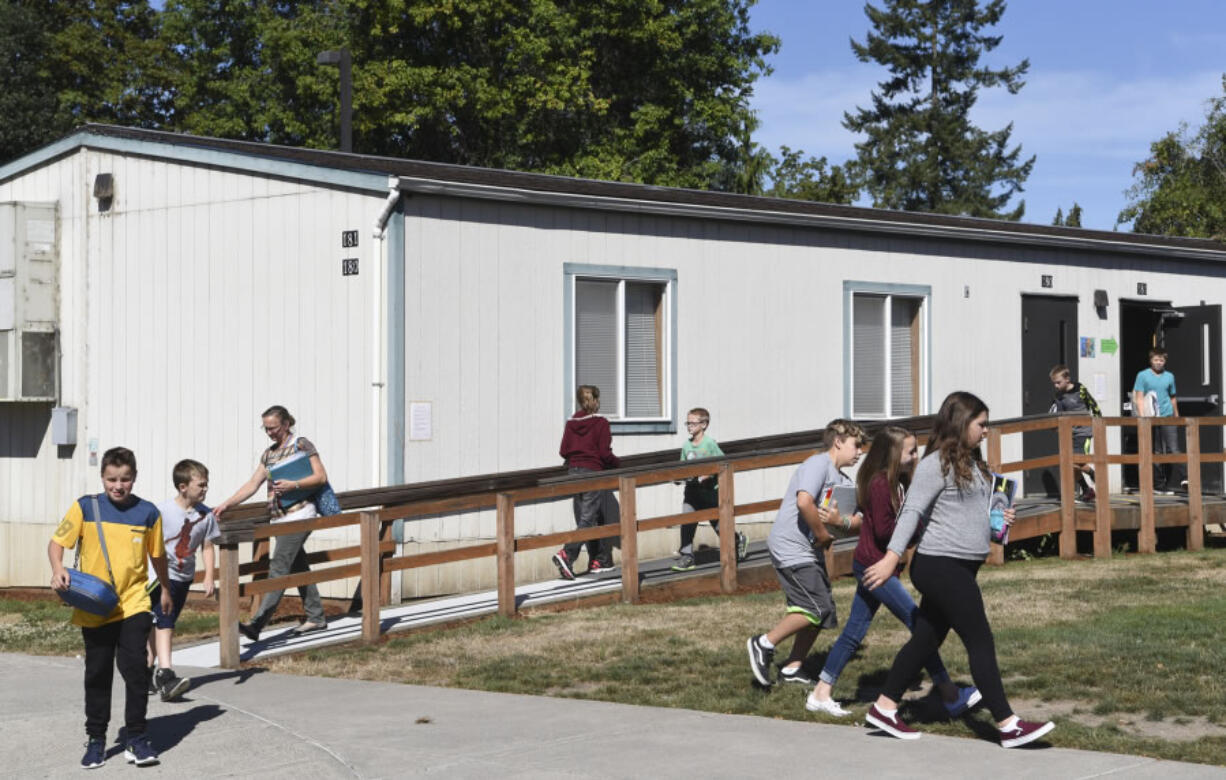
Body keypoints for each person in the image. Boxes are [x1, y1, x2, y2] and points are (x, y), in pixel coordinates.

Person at [861, 392, 1055, 748]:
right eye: (981, 424)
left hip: (960, 566)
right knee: (979, 639)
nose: (986, 431)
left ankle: (884, 708)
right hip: (939, 565)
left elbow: (969, 512)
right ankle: (1008, 725)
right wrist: (891, 557)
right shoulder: (935, 464)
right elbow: (912, 511)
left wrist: (998, 519)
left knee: (925, 639)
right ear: (962, 423)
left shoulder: (973, 463)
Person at [806, 427, 980, 718]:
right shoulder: (878, 485)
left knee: (854, 631)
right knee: (920, 625)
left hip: (875, 566)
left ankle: (821, 692)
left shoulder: (898, 482)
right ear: (893, 454)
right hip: (875, 568)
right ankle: (949, 693)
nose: (915, 457)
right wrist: (920, 524)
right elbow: (886, 532)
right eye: (910, 451)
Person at [48, 446, 174, 769]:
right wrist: (57, 567)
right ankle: (96, 740)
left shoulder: (148, 513)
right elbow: (56, 543)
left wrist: (166, 588)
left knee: (135, 671)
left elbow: (158, 555)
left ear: (134, 478)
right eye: (112, 479)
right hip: (95, 605)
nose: (118, 486)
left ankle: (137, 738)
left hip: (133, 603)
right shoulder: (85, 508)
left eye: (125, 479)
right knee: (98, 674)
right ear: (102, 477)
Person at [747, 419, 865, 687]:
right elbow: (804, 501)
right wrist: (823, 535)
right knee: (815, 607)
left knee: (823, 611)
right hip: (791, 546)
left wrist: (839, 522)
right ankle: (763, 643)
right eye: (856, 445)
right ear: (838, 441)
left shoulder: (843, 480)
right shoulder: (817, 464)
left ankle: (793, 667)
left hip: (809, 551)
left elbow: (855, 520)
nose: (860, 452)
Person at [214, 405, 328, 640]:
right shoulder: (269, 454)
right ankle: (316, 616)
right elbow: (252, 484)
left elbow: (320, 476)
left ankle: (257, 623)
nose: (270, 433)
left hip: (301, 513)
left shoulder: (302, 445)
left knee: (278, 566)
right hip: (279, 517)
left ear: (286, 424)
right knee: (296, 565)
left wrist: (294, 485)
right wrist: (227, 504)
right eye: (266, 429)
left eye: (273, 428)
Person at [147, 459, 220, 702]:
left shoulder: (206, 515)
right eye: (201, 485)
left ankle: (147, 670)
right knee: (164, 619)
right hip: (159, 576)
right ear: (183, 486)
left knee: (160, 624)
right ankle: (166, 674)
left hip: (183, 578)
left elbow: (207, 547)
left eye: (206, 485)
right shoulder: (162, 511)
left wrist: (209, 575)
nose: (205, 489)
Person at [553, 385, 620, 579]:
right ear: (597, 400)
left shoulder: (571, 422)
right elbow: (604, 454)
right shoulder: (601, 423)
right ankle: (567, 553)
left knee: (590, 516)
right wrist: (617, 463)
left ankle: (599, 559)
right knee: (588, 518)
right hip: (592, 472)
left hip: (573, 472)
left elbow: (564, 451)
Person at [671, 407, 746, 572]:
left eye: (692, 423)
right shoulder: (686, 446)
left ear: (704, 424)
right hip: (691, 494)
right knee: (687, 522)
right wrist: (679, 478)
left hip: (709, 494)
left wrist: (708, 475)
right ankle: (687, 557)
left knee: (720, 526)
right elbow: (682, 468)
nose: (689, 426)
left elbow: (723, 464)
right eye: (687, 423)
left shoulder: (710, 444)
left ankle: (736, 541)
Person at [1132, 348, 1186, 494]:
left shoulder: (1169, 376)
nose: (1158, 363)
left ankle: (1185, 478)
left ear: (1165, 361)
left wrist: (1177, 415)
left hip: (1167, 414)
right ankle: (1159, 485)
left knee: (1173, 448)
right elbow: (1139, 397)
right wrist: (1143, 417)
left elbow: (1173, 397)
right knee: (1155, 451)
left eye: (1161, 360)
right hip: (1150, 416)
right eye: (1156, 360)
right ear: (1151, 360)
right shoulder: (1142, 375)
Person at [1049, 364, 1102, 502]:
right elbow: (1055, 412)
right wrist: (1054, 426)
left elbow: (1093, 404)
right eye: (1054, 383)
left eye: (1058, 382)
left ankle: (1093, 474)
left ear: (1067, 379)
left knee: (1076, 462)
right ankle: (1087, 490)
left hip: (1083, 432)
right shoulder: (1058, 396)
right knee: (1070, 464)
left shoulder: (1080, 389)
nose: (1056, 385)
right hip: (1069, 433)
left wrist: (1098, 422)